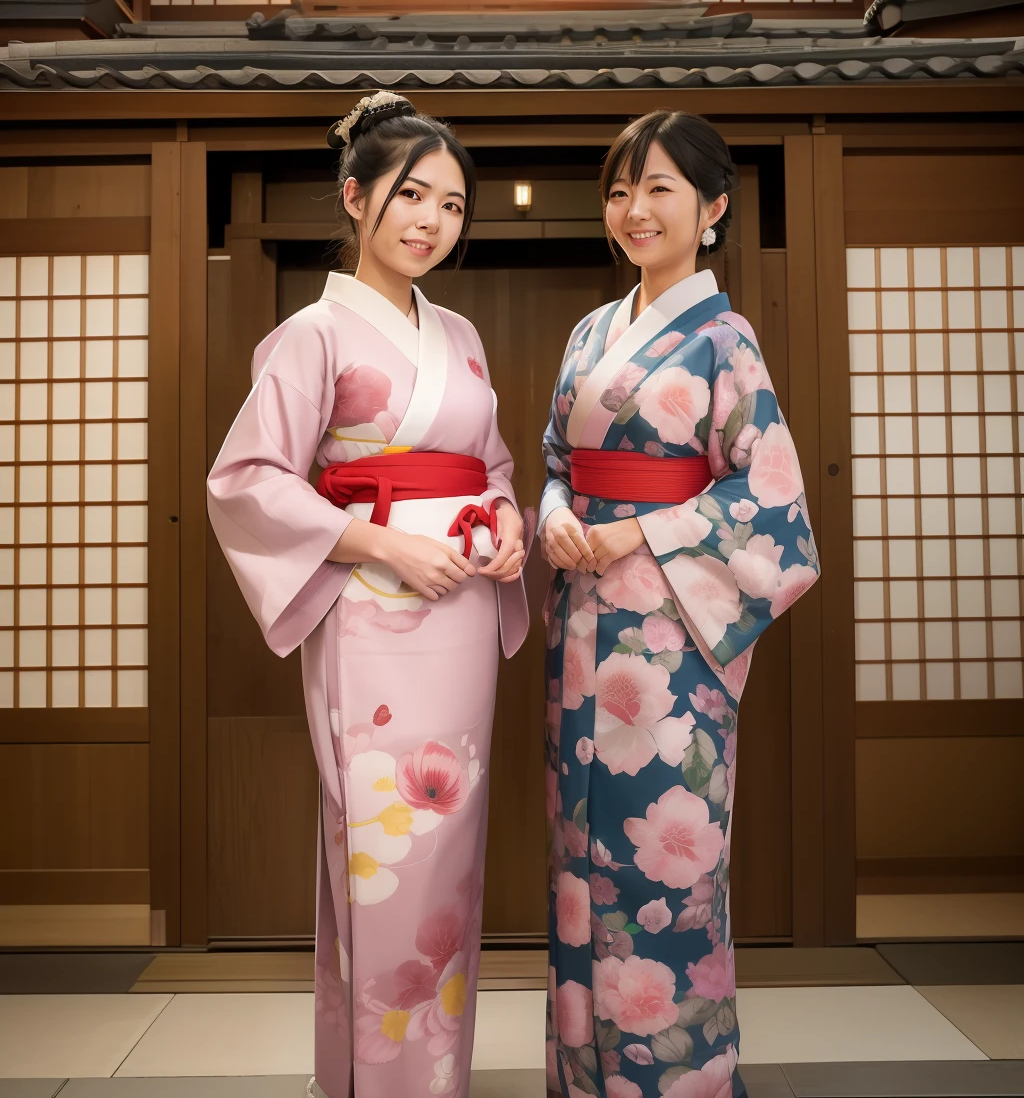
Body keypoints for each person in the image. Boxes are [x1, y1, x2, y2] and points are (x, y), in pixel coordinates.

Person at [207, 91, 528, 1098]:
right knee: (382, 843)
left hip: (463, 607)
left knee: (451, 849)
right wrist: (381, 539)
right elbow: (249, 480)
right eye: (410, 196)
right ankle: (387, 1080)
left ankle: (425, 1079)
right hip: (373, 614)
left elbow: (495, 462)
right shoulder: (312, 334)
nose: (431, 221)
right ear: (356, 199)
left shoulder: (464, 333)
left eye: (451, 205)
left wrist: (510, 518)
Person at [539, 110, 819, 1098]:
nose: (633, 209)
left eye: (657, 187)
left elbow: (771, 498)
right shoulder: (588, 331)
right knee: (581, 851)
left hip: (670, 640)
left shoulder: (722, 338)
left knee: (667, 861)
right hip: (580, 630)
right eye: (620, 189)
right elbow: (554, 463)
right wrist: (552, 514)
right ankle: (585, 1078)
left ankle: (680, 1081)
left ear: (712, 208)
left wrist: (638, 532)